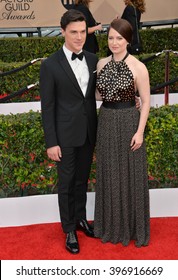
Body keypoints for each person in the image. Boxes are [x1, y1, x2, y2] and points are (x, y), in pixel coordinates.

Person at [40, 9, 98, 254]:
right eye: (73, 32)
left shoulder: (94, 60)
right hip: (63, 137)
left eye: (83, 32)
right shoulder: (50, 65)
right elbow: (48, 107)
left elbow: (95, 94)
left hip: (88, 133)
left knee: (82, 180)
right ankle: (69, 229)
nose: (79, 37)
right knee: (66, 183)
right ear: (62, 32)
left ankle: (81, 219)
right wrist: (51, 142)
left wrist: (132, 100)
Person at [94, 18, 150, 247]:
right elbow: (99, 95)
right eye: (110, 38)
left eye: (119, 38)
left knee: (130, 175)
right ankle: (109, 226)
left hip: (129, 123)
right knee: (109, 173)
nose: (114, 43)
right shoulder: (100, 64)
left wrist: (140, 132)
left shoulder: (139, 67)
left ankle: (131, 227)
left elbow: (146, 102)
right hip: (106, 120)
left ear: (128, 39)